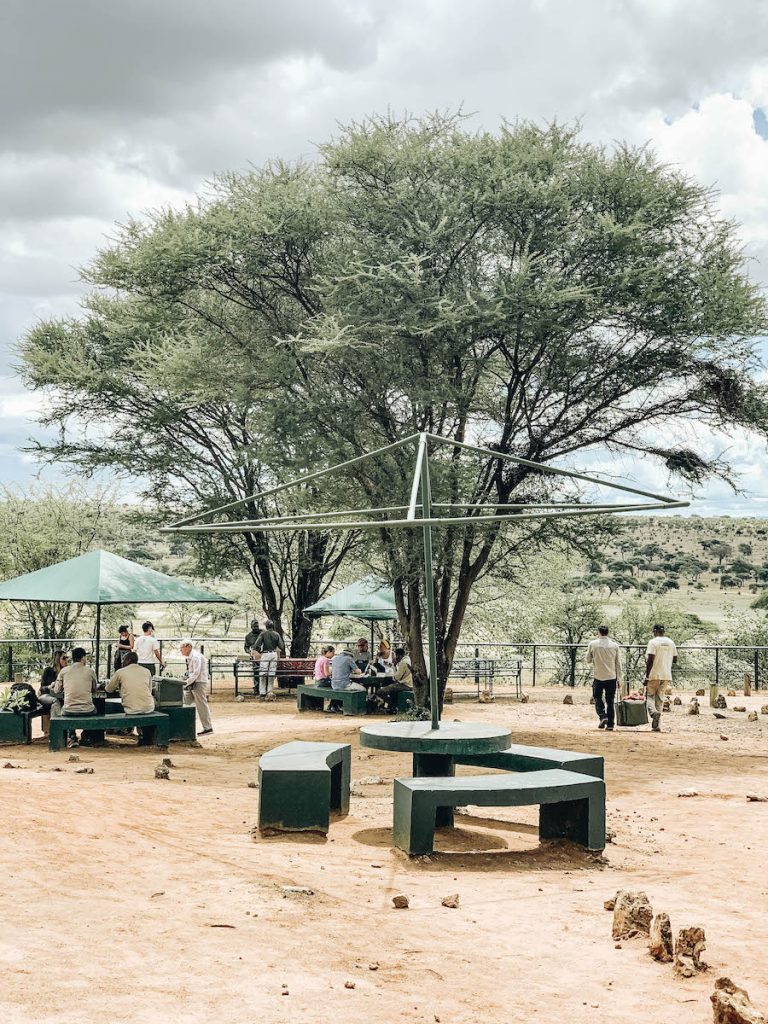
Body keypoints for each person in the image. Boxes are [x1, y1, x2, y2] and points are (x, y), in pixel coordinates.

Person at [105, 651, 156, 744]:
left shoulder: (120, 672)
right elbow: (149, 690)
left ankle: (117, 730)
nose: (122, 662)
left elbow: (109, 689)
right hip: (149, 707)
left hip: (131, 710)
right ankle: (144, 736)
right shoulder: (146, 671)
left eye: (123, 660)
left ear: (127, 660)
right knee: (141, 703)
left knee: (117, 706)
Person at [53, 647, 98, 749]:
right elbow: (94, 689)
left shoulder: (64, 671)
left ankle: (72, 737)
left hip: (68, 710)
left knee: (65, 708)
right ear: (83, 658)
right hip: (88, 710)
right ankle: (86, 737)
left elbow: (56, 690)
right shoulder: (90, 671)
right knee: (95, 709)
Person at [585, 625, 622, 731]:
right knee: (610, 700)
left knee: (597, 697)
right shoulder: (614, 646)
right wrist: (619, 678)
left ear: (599, 632)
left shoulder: (593, 644)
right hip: (611, 676)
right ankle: (610, 724)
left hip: (598, 676)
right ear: (608, 632)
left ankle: (602, 716)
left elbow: (588, 659)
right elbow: (618, 663)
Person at [645, 623, 678, 733]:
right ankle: (657, 726)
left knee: (649, 697)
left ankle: (654, 713)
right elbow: (675, 659)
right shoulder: (671, 642)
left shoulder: (653, 642)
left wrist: (646, 676)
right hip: (666, 674)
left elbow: (650, 659)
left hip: (654, 674)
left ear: (654, 631)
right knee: (659, 699)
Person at [180, 639, 213, 735]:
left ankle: (208, 728)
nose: (181, 650)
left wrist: (186, 683)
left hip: (198, 682)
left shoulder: (195, 657)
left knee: (201, 704)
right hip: (192, 682)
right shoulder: (191, 657)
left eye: (182, 648)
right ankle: (184, 727)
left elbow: (196, 673)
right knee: (185, 703)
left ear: (188, 647)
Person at [370, 647, 413, 713]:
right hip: (409, 684)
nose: (396, 657)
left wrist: (395, 666)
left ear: (399, 655)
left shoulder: (403, 662)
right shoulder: (409, 660)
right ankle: (388, 706)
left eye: (396, 655)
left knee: (381, 691)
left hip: (405, 684)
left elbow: (397, 677)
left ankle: (391, 706)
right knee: (391, 688)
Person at [252, 620, 285, 699]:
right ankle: (270, 691)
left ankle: (262, 692)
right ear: (272, 626)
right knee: (271, 673)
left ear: (266, 626)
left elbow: (256, 645)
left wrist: (260, 651)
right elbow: (282, 646)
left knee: (262, 673)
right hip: (274, 654)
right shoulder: (276, 634)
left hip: (266, 654)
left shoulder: (263, 634)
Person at [243, 618, 261, 694]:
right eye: (254, 627)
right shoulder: (248, 636)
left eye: (257, 626)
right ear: (251, 627)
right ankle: (256, 688)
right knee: (256, 672)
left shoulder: (262, 633)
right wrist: (250, 652)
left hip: (264, 655)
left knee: (264, 672)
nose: (256, 628)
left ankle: (264, 688)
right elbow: (246, 647)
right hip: (254, 656)